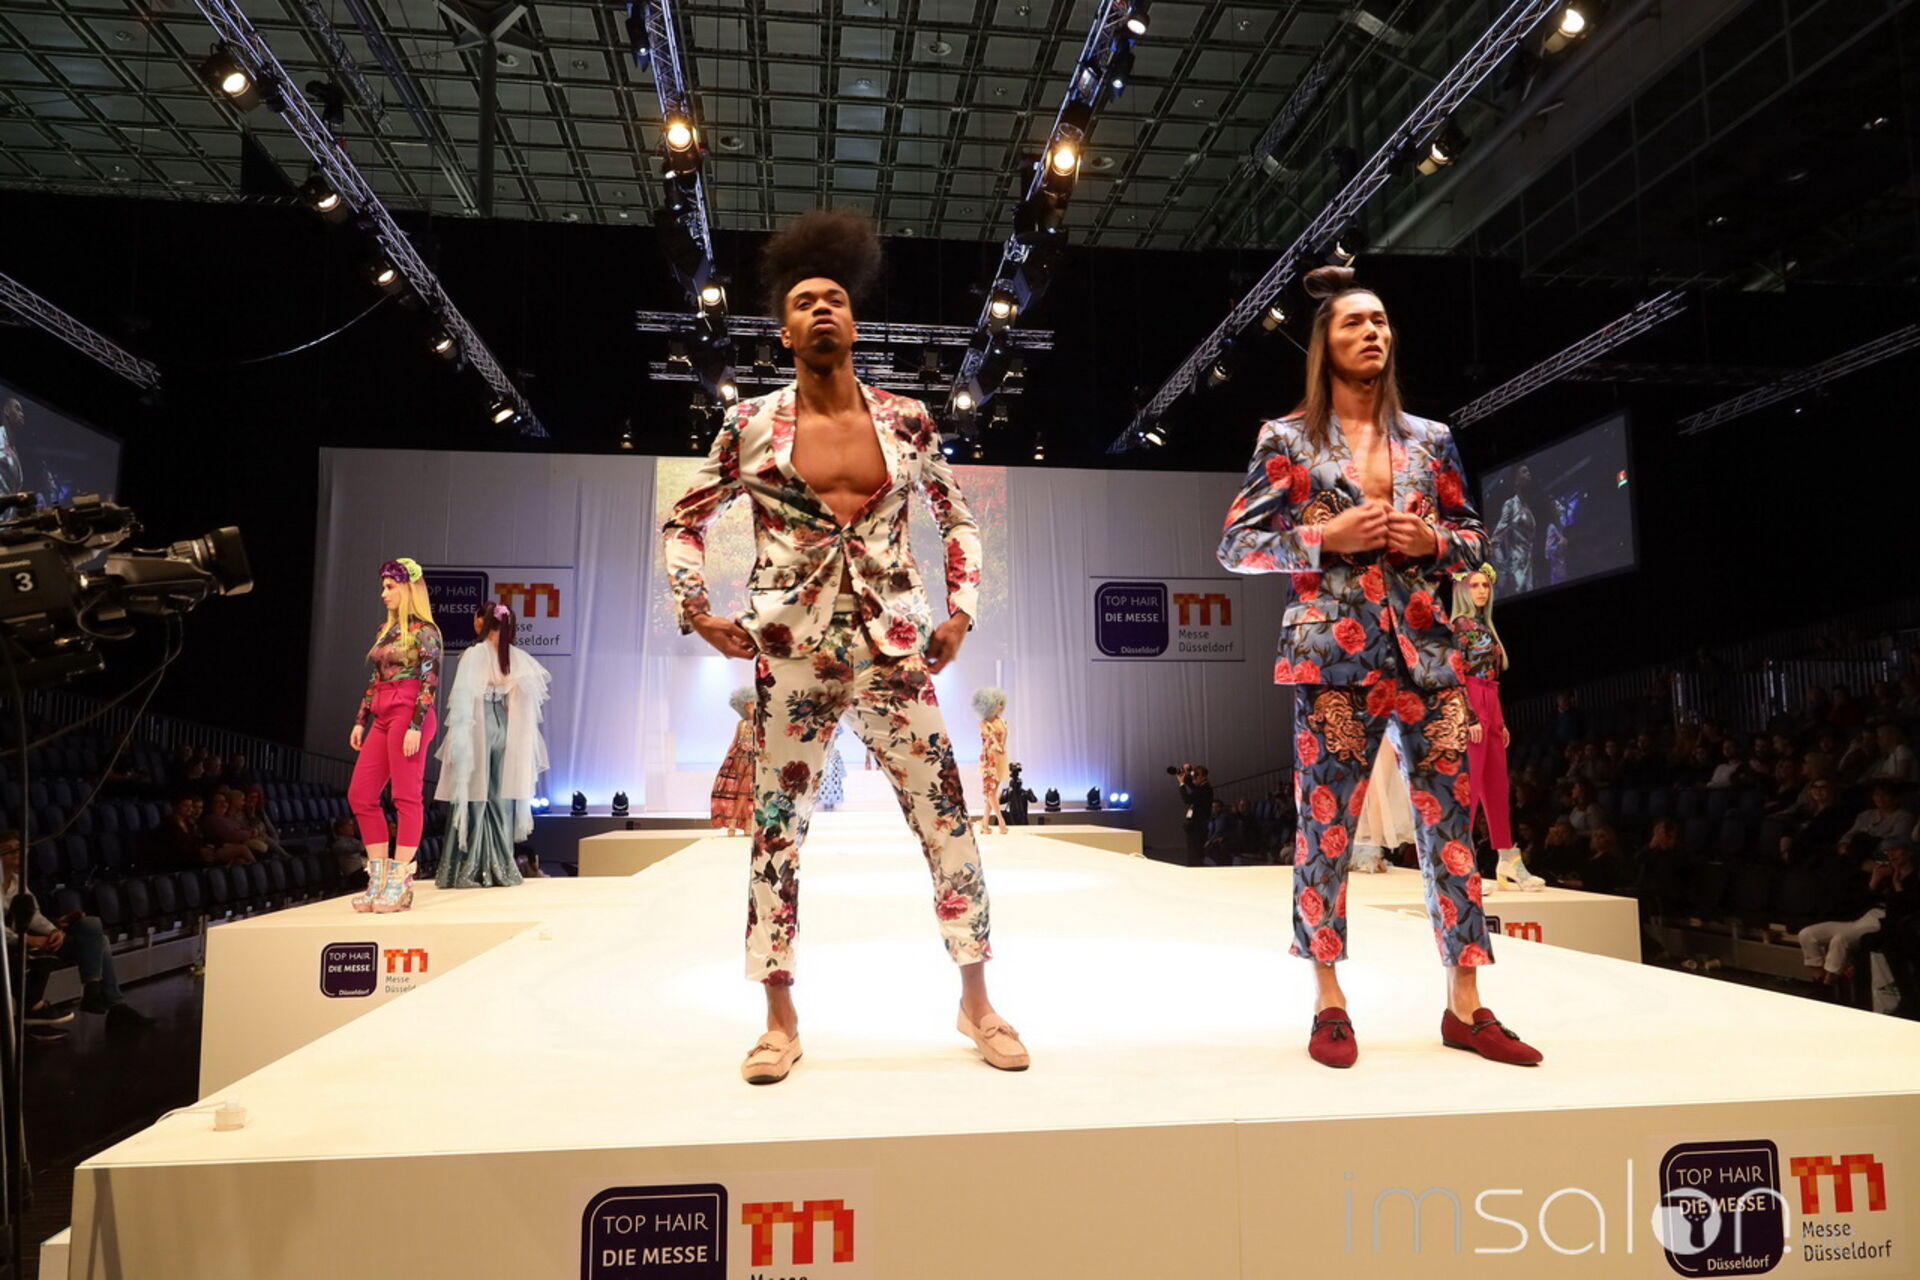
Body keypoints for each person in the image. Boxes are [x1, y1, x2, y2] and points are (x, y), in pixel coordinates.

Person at [660, 208, 1023, 1084]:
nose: (822, 308)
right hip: (792, 652)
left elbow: (957, 518)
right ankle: (778, 1019)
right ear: (785, 333)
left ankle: (978, 1002)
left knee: (946, 820)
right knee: (776, 833)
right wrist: (695, 609)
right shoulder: (750, 425)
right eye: (804, 302)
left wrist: (961, 613)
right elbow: (685, 521)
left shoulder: (906, 421)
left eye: (835, 299)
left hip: (894, 649)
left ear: (854, 324)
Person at [1218, 263, 1539, 1068]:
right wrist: (1323, 537)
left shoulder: (1431, 439)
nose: (1373, 332)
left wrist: (1433, 540)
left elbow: (1475, 539)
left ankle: (1466, 1004)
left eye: (1381, 321)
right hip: (1333, 660)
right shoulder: (1287, 439)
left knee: (1451, 829)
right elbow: (1236, 546)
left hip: (1430, 656)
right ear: (1324, 342)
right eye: (1355, 322)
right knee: (1326, 830)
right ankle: (1328, 1001)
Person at [435, 602, 553, 888]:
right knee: (499, 797)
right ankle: (500, 865)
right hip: (504, 727)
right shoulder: (518, 657)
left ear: (485, 622)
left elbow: (463, 702)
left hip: (480, 723)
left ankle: (469, 867)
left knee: (475, 794)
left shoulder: (475, 654)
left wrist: (459, 739)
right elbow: (518, 707)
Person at [347, 556, 442, 913]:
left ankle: (400, 882)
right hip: (383, 713)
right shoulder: (384, 631)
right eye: (383, 586)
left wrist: (416, 724)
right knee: (361, 794)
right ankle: (377, 879)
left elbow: (430, 680)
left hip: (409, 710)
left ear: (407, 588)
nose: (383, 593)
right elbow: (375, 678)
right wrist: (360, 719)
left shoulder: (425, 631)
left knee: (405, 796)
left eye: (390, 587)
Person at [1450, 563, 1540, 891]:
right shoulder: (1460, 626)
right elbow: (1455, 675)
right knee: (1471, 787)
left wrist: (1498, 721)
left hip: (1491, 700)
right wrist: (1469, 716)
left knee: (1497, 786)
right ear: (1462, 590)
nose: (1481, 591)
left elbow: (1491, 677)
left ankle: (1507, 857)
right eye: (1474, 585)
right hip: (1472, 701)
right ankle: (1462, 865)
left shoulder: (1483, 625)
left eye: (1485, 586)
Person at [2, 830, 151, 1029]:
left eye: (19, 849)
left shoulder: (18, 882)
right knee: (100, 942)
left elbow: (34, 915)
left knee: (91, 925)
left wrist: (52, 931)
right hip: (11, 945)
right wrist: (28, 939)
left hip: (27, 940)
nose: (17, 854)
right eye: (9, 850)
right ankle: (108, 1000)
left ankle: (93, 989)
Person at [710, 686, 759, 837]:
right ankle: (746, 823)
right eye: (746, 704)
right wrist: (728, 756)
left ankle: (735, 821)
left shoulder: (760, 722)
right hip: (740, 756)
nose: (749, 706)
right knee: (741, 790)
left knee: (745, 789)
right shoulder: (741, 724)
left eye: (751, 703)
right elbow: (735, 741)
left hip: (754, 756)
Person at [1489, 466, 1536, 594]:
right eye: (1524, 472)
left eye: (1529, 471)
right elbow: (1495, 540)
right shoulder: (1510, 505)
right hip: (1515, 574)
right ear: (1516, 481)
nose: (1529, 473)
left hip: (1529, 573)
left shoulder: (1528, 509)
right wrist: (1503, 571)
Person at [972, 687, 1010, 836]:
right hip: (989, 759)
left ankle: (984, 824)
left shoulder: (1003, 722)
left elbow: (1003, 741)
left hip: (1000, 758)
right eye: (996, 704)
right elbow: (990, 738)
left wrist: (1000, 748)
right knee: (991, 792)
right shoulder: (984, 723)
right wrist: (997, 746)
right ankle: (1001, 822)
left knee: (992, 792)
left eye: (1001, 704)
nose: (1000, 707)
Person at [1174, 763, 1213, 867]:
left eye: (1197, 775)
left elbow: (1187, 799)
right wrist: (1187, 771)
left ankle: (1196, 870)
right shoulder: (1202, 787)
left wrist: (1181, 784)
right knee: (1193, 853)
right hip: (1196, 825)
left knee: (1196, 854)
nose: (1194, 777)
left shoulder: (1204, 789)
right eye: (1193, 774)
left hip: (1198, 826)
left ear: (1204, 777)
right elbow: (1192, 783)